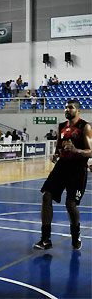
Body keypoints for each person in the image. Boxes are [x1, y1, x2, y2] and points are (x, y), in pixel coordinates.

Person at [33, 99, 92, 250]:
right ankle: (46, 239)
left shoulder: (85, 127)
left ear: (78, 110)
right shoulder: (61, 127)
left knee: (70, 205)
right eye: (66, 107)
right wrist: (55, 155)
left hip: (78, 168)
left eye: (70, 108)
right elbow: (59, 146)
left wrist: (77, 151)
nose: (67, 110)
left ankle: (76, 234)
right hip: (62, 166)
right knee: (46, 196)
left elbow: (91, 151)